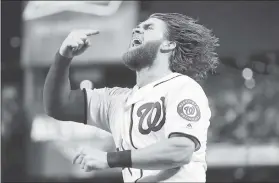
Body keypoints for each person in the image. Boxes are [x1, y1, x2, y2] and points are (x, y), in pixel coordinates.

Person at [43, 13, 219, 182]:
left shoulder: (182, 86)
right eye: (137, 27)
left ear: (168, 45)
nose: (137, 29)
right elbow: (59, 105)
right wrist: (63, 56)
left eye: (148, 27)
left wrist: (109, 159)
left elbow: (180, 150)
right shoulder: (116, 100)